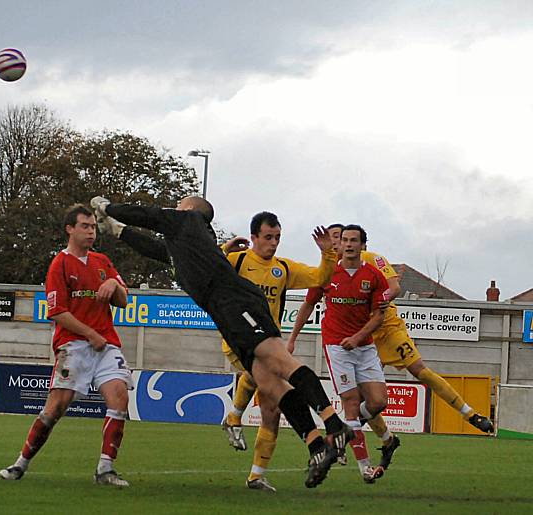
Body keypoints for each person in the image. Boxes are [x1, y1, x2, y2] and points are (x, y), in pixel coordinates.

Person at [92, 195, 353, 489]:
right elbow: (154, 248)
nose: (175, 208)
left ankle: (334, 424)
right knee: (270, 384)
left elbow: (148, 215)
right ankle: (317, 446)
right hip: (225, 311)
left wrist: (108, 207)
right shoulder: (185, 243)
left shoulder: (188, 220)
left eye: (179, 205)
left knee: (281, 363)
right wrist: (116, 229)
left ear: (191, 210)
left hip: (236, 302)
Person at [288, 223, 494, 470]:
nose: (338, 244)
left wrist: (374, 303)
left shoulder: (372, 261)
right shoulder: (330, 270)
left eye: (341, 238)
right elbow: (312, 300)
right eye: (336, 239)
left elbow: (394, 287)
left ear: (359, 243)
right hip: (358, 338)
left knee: (419, 370)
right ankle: (383, 440)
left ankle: (469, 413)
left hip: (386, 329)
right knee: (367, 401)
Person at [0, 204, 133, 487]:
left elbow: (123, 300)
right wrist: (90, 334)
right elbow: (58, 312)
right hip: (73, 345)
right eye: (85, 226)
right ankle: (20, 463)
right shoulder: (59, 264)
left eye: (94, 226)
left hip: (106, 344)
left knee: (119, 397)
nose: (91, 231)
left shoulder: (102, 261)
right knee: (56, 408)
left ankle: (105, 469)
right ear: (70, 229)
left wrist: (113, 284)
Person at [306, 224, 390, 483]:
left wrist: (357, 337)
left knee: (378, 402)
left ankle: (343, 430)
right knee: (352, 403)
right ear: (339, 244)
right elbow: (308, 304)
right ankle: (364, 467)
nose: (349, 244)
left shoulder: (374, 277)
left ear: (363, 245)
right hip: (337, 346)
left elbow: (379, 315)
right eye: (345, 240)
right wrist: (292, 338)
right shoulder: (328, 273)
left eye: (355, 240)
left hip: (363, 347)